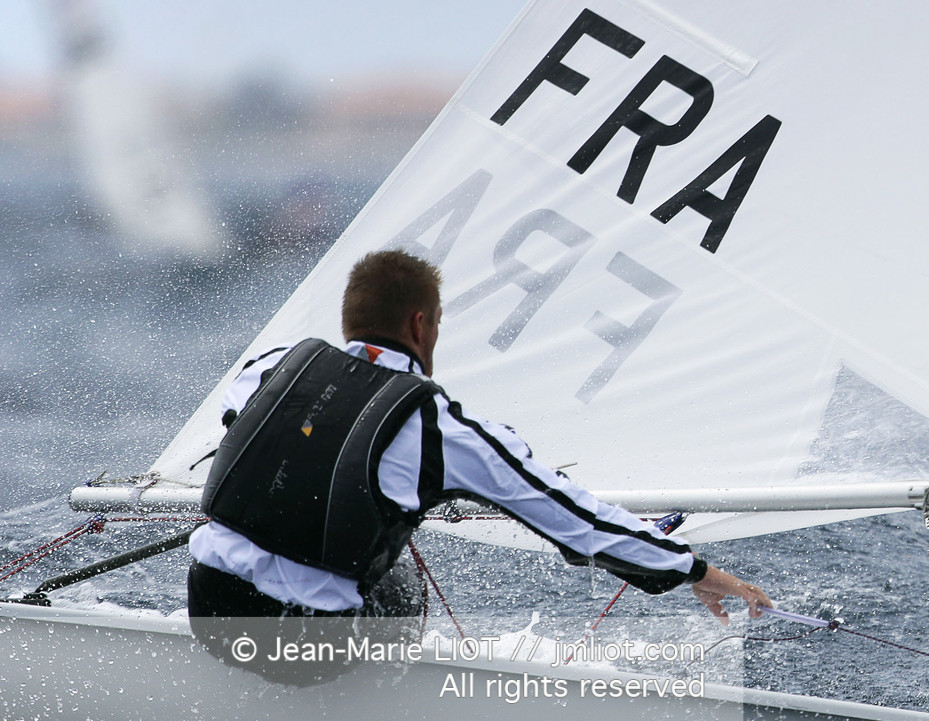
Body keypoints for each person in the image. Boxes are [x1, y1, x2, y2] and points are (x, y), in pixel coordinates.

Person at [188, 249, 769, 684]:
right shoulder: (441, 431)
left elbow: (256, 438)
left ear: (348, 318)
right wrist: (694, 570)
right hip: (306, 647)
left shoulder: (271, 368)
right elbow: (575, 520)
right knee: (397, 585)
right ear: (422, 325)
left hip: (210, 606)